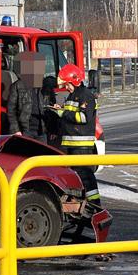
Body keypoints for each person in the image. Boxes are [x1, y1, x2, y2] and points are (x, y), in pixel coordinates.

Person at [53, 63, 101, 206]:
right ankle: (80, 202)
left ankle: (95, 205)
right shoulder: (73, 95)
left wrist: (63, 113)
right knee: (75, 176)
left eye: (67, 84)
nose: (66, 88)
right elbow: (72, 114)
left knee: (86, 176)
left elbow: (84, 118)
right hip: (71, 145)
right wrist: (61, 109)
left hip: (81, 145)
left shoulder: (86, 96)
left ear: (74, 80)